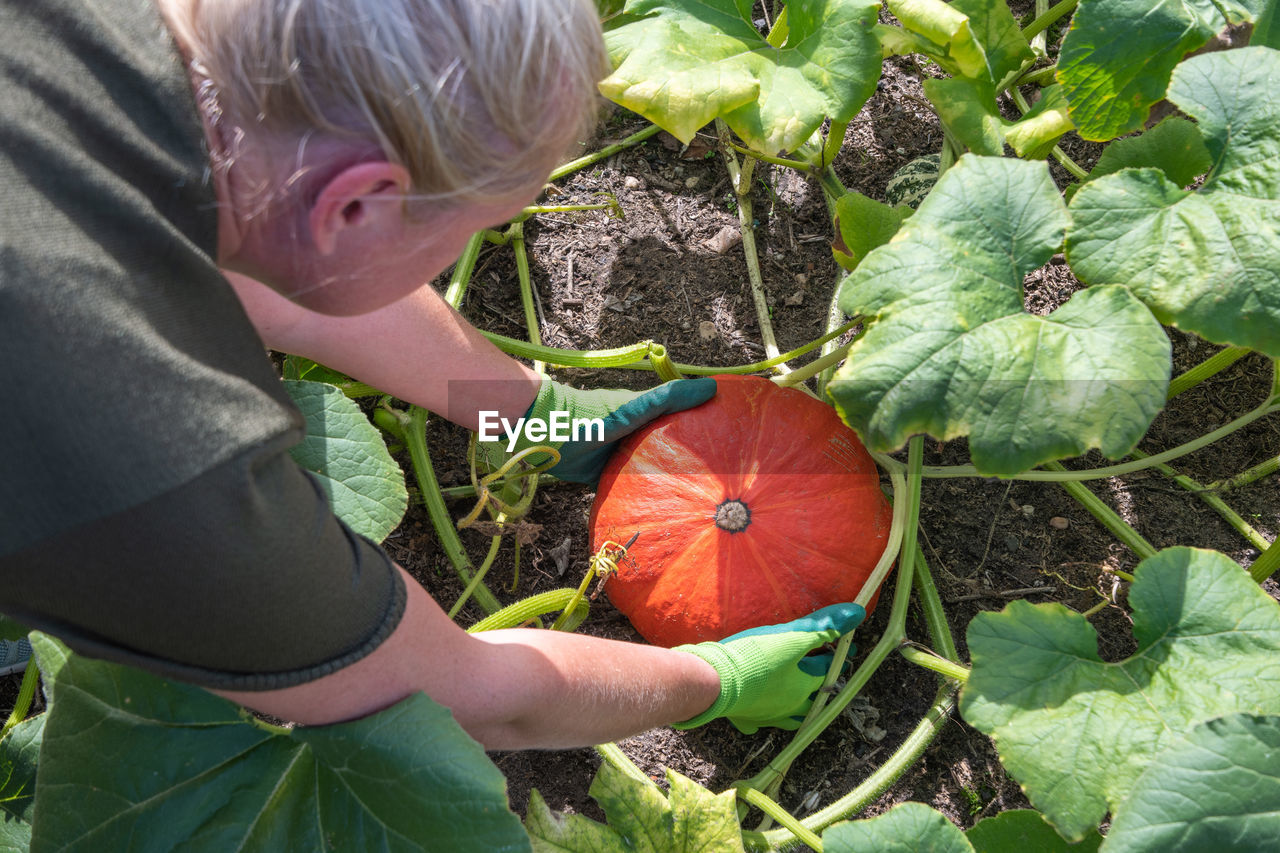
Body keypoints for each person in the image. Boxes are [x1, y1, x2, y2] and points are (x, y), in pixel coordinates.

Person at [0, 0, 863, 751]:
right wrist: (711, 679)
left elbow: (276, 283)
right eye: (462, 233)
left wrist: (529, 411)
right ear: (355, 201)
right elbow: (473, 698)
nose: (451, 257)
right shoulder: (158, 460)